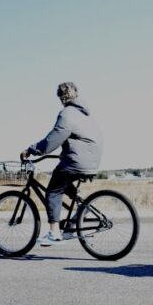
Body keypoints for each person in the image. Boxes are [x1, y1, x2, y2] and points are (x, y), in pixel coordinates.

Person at [21, 82, 103, 246]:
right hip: (92, 161)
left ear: (60, 98)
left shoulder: (67, 114)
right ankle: (81, 211)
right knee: (65, 182)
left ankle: (54, 233)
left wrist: (31, 150)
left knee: (53, 191)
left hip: (76, 161)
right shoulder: (86, 114)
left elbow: (53, 140)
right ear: (77, 94)